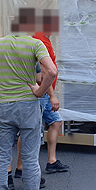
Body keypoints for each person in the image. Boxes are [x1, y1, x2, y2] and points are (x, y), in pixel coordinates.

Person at [0, 7, 58, 190]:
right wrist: (39, 91)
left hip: (5, 107)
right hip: (28, 108)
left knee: (1, 159)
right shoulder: (35, 44)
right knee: (30, 159)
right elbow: (51, 72)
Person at [33, 13, 69, 174]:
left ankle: (51, 161)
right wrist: (52, 95)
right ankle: (23, 168)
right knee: (32, 130)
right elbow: (46, 72)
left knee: (56, 122)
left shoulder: (46, 39)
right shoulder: (40, 39)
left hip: (46, 92)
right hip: (42, 92)